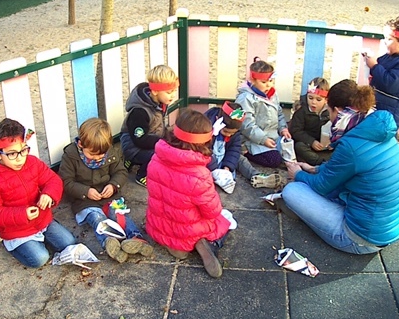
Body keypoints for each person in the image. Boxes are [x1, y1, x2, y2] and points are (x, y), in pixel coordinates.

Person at [281, 79, 399, 254]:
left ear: (338, 111)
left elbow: (321, 185)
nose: (330, 118)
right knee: (331, 185)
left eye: (329, 111)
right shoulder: (378, 130)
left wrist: (297, 173)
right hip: (390, 228)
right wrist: (314, 169)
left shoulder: (350, 146)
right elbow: (345, 169)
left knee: (292, 191)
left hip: (360, 239)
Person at [0, 118, 77, 268]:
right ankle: (13, 246)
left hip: (42, 220)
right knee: (40, 258)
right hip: (16, 231)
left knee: (69, 242)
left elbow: (53, 180)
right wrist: (22, 215)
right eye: (12, 154)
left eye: (23, 150)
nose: (19, 159)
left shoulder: (32, 162)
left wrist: (49, 194)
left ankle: (40, 238)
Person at [146, 108, 232, 278]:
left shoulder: (156, 158)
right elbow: (212, 211)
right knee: (225, 220)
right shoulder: (200, 175)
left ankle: (174, 245)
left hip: (158, 223)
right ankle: (209, 244)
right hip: (188, 228)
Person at [59, 118, 153, 263]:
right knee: (97, 218)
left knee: (119, 215)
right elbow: (66, 182)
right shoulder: (71, 156)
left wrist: (113, 185)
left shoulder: (110, 152)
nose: (97, 158)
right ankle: (109, 242)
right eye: (92, 154)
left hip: (109, 197)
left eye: (101, 155)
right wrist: (85, 191)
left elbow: (120, 172)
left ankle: (136, 239)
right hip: (84, 200)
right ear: (81, 144)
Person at [120, 64, 178, 187]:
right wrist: (162, 142)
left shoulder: (160, 102)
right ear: (155, 91)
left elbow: (157, 125)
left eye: (174, 91)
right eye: (169, 92)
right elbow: (140, 140)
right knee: (158, 155)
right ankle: (142, 175)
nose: (173, 95)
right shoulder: (139, 112)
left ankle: (130, 162)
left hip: (148, 138)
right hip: (133, 145)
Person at [204, 101, 281, 190]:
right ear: (218, 120)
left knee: (241, 160)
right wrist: (215, 169)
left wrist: (227, 167)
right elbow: (204, 151)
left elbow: (234, 149)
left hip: (223, 156)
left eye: (232, 133)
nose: (228, 135)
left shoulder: (234, 132)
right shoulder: (206, 126)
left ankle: (256, 176)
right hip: (209, 159)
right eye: (225, 131)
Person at [236, 57, 292, 172]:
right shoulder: (246, 98)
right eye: (264, 82)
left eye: (270, 81)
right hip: (252, 139)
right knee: (274, 160)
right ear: (252, 80)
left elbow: (279, 113)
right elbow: (247, 125)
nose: (268, 85)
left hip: (272, 135)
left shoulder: (272, 95)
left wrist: (283, 128)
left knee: (289, 148)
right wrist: (263, 139)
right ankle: (245, 152)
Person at [364, 15, 399, 128]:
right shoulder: (390, 56)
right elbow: (380, 65)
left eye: (389, 39)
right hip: (380, 104)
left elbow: (390, 84)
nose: (384, 42)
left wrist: (374, 66)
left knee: (385, 132)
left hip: (392, 111)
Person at [289, 77, 333, 166]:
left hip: (324, 145)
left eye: (318, 99)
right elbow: (295, 131)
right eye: (310, 98)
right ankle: (320, 163)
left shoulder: (330, 111)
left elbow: (337, 127)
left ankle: (330, 161)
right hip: (308, 143)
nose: (313, 102)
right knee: (299, 146)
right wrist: (311, 141)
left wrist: (332, 141)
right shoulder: (301, 111)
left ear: (326, 100)